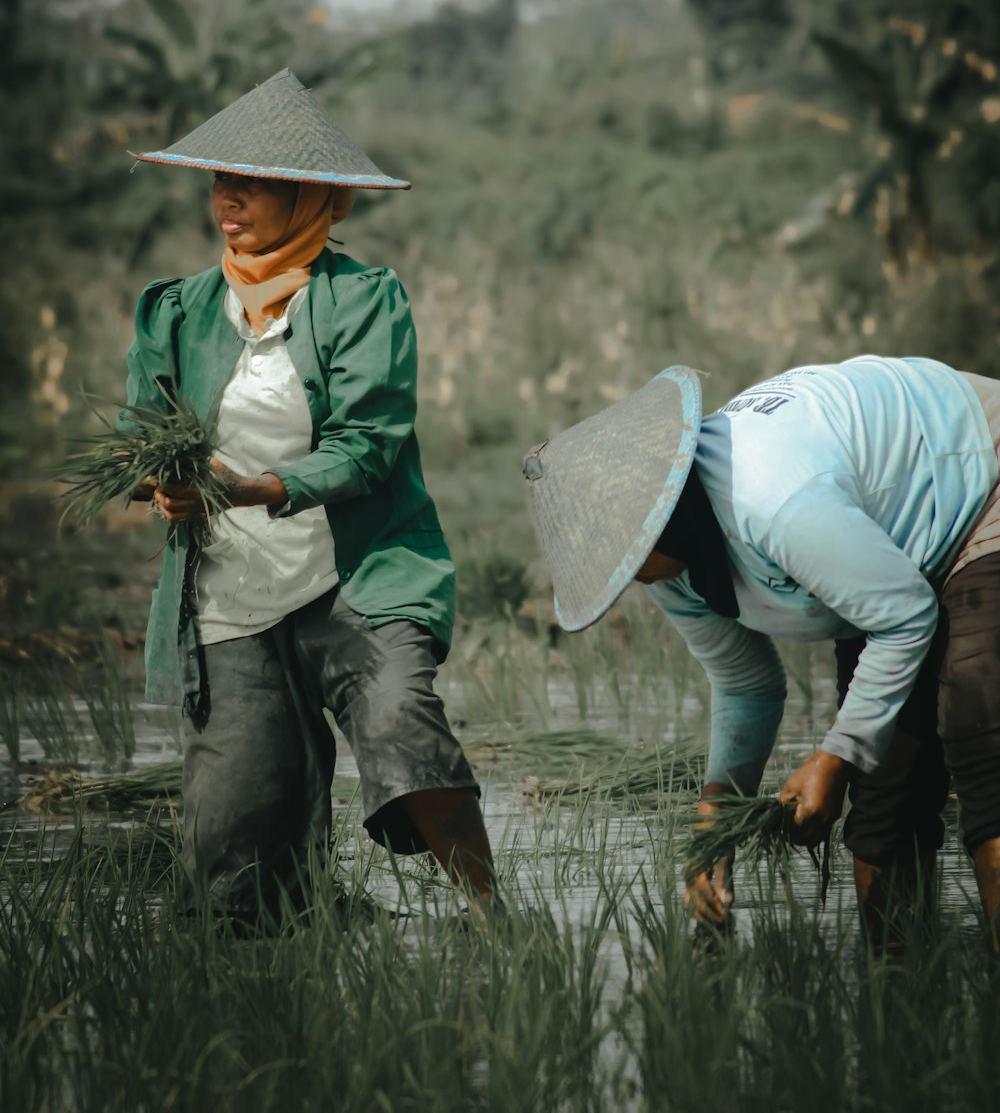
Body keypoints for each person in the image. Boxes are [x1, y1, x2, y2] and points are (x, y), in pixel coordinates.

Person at [125, 68, 494, 924]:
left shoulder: (363, 300)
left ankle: (494, 923)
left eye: (254, 184)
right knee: (235, 862)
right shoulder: (174, 313)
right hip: (230, 595)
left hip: (353, 577)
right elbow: (146, 439)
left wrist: (262, 487)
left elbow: (368, 445)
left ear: (311, 197)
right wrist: (165, 485)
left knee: (403, 727)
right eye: (222, 181)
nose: (230, 201)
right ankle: (302, 941)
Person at [522, 357, 1000, 949]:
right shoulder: (670, 567)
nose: (627, 582)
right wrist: (713, 825)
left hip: (978, 475)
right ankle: (901, 999)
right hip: (884, 558)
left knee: (980, 724)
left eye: (623, 561)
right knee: (884, 799)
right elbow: (746, 683)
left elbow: (905, 617)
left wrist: (833, 756)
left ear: (658, 517)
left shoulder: (770, 497)